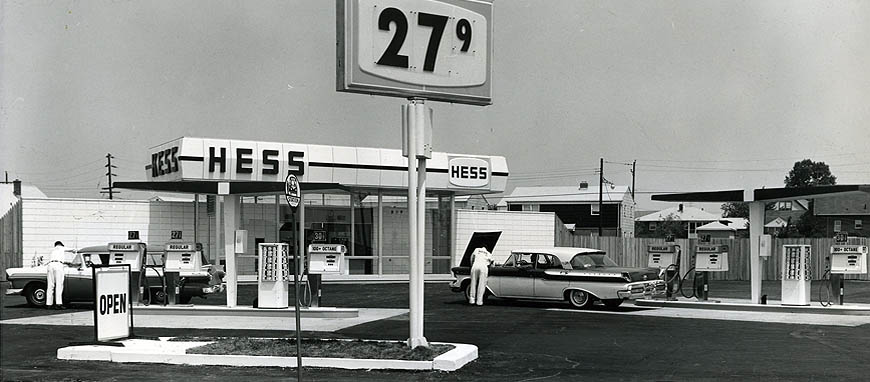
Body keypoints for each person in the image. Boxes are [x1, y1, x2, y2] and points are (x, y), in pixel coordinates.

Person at [44, 241, 68, 310]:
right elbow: (72, 250)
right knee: (59, 285)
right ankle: (58, 304)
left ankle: (48, 304)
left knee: (50, 285)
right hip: (58, 265)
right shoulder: (62, 248)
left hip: (50, 265)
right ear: (61, 245)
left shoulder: (52, 250)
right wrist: (75, 250)